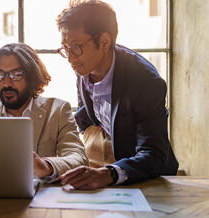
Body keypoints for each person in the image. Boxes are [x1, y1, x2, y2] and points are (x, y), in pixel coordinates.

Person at [56, 0, 178, 189]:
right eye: (66, 48)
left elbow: (153, 154)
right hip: (114, 168)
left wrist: (109, 173)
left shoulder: (145, 82)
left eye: (76, 47)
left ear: (104, 42)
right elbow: (86, 111)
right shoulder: (83, 65)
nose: (70, 58)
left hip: (150, 178)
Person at [0, 43, 88, 181]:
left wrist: (46, 166)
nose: (6, 83)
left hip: (38, 196)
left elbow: (79, 158)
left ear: (32, 77)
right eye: (0, 75)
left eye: (16, 75)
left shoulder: (58, 110)